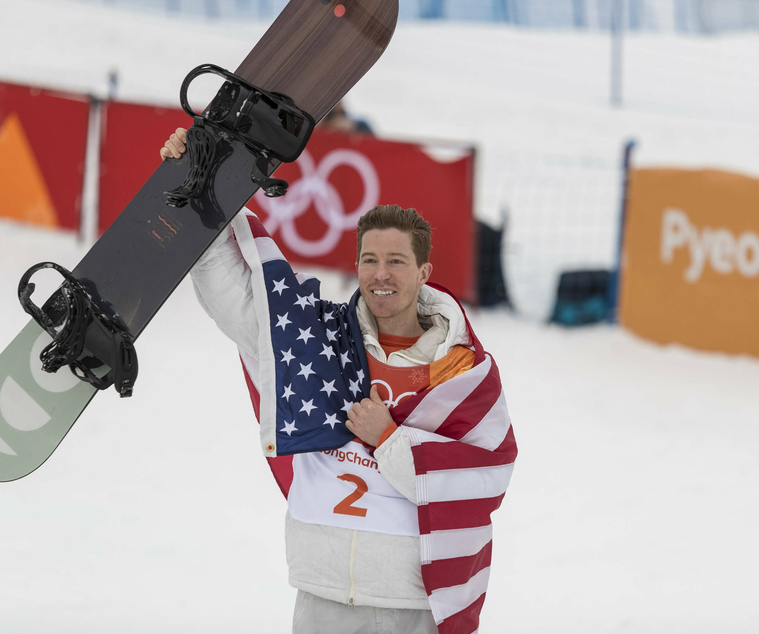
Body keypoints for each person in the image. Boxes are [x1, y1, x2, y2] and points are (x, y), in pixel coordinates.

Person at [161, 129, 517, 634]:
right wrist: (197, 190)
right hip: (321, 595)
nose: (381, 274)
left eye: (397, 261)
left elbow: (487, 478)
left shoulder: (464, 373)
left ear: (424, 272)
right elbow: (240, 305)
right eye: (370, 260)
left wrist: (390, 440)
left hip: (408, 606)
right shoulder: (323, 341)